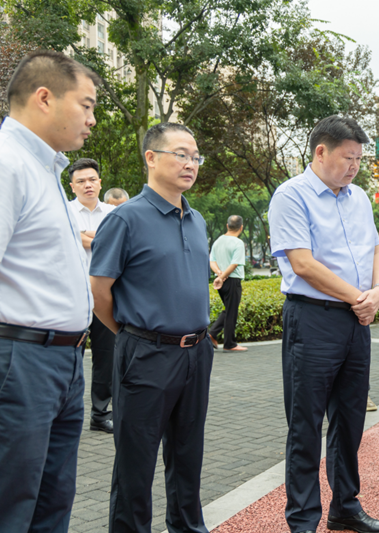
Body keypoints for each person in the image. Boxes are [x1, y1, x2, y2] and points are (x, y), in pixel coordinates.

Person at [0, 50, 99, 532]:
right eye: (86, 105)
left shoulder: (45, 170)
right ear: (44, 98)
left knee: (50, 506)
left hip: (61, 361)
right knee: (6, 507)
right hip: (17, 359)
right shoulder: (2, 163)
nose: (92, 120)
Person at [268, 115, 379, 533]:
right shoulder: (291, 195)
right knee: (306, 423)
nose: (354, 166)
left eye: (359, 159)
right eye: (347, 157)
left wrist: (378, 291)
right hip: (313, 319)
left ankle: (345, 506)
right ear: (321, 152)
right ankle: (303, 520)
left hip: (356, 320)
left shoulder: (359, 198)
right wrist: (360, 298)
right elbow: (302, 264)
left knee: (350, 418)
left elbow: (376, 249)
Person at [90, 122, 214, 533]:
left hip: (196, 353)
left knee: (188, 456)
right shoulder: (125, 219)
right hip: (146, 354)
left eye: (195, 157)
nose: (191, 164)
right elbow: (99, 291)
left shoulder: (196, 219)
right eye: (181, 154)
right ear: (151, 158)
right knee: (135, 463)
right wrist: (133, 335)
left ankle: (188, 527)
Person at [68, 157, 117, 433]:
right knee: (68, 356)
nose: (87, 185)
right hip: (70, 296)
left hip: (104, 296)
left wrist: (83, 235)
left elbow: (118, 244)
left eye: (91, 180)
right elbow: (68, 239)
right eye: (81, 181)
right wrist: (101, 238)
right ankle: (65, 414)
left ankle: (100, 414)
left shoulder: (115, 213)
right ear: (72, 186)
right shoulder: (62, 210)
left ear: (100, 182)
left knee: (105, 357)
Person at [209, 215, 248, 351]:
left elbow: (212, 261)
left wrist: (219, 274)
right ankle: (229, 344)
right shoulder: (238, 243)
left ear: (227, 226)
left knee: (229, 309)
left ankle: (212, 334)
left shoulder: (218, 241)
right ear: (241, 228)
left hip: (220, 281)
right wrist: (223, 276)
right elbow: (234, 264)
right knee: (232, 311)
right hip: (232, 280)